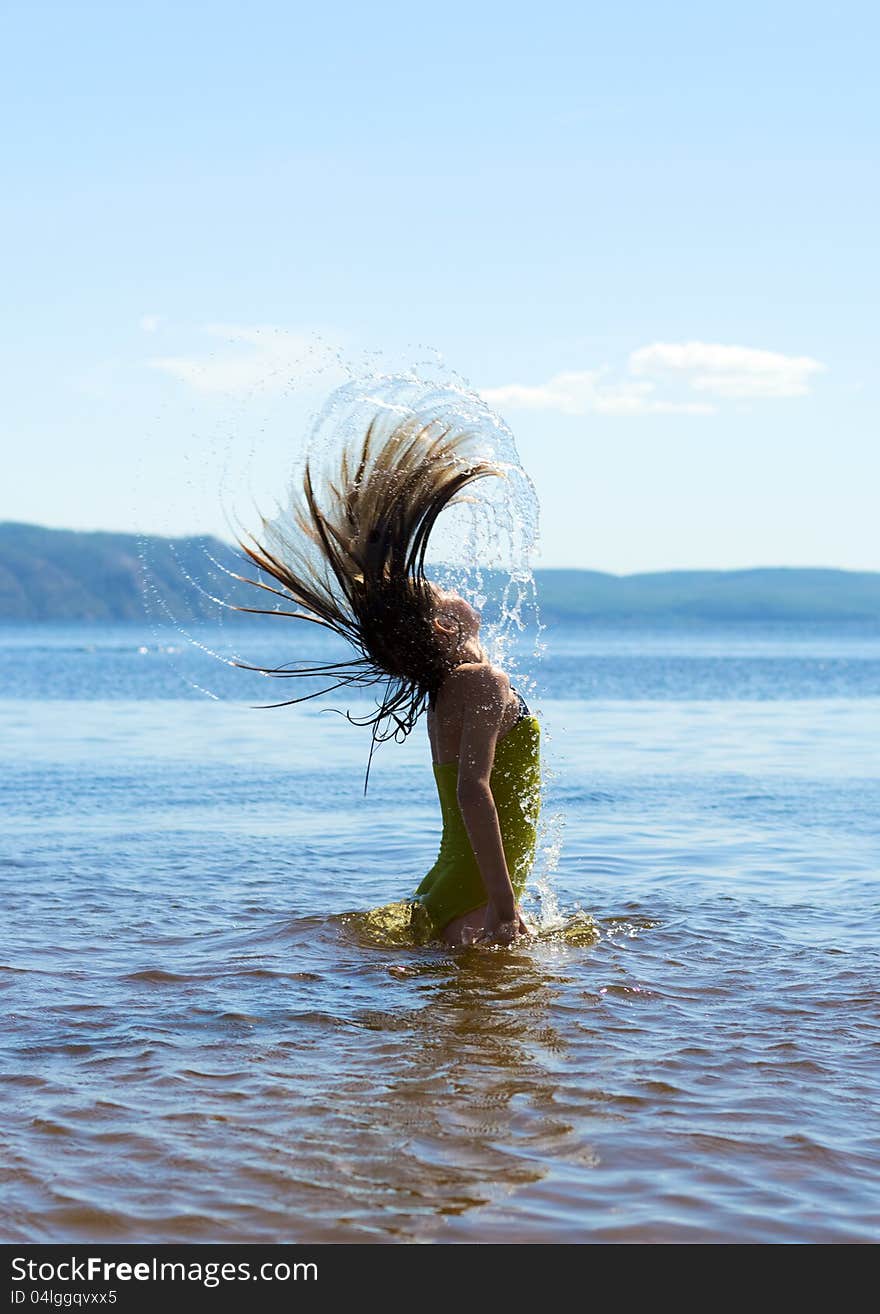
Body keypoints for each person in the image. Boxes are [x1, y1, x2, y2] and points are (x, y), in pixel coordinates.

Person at [229, 410, 541, 947]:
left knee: (453, 1019)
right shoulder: (483, 680)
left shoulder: (447, 689)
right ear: (445, 624)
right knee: (492, 1023)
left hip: (452, 888)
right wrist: (503, 906)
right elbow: (473, 791)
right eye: (442, 589)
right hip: (477, 895)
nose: (452, 587)